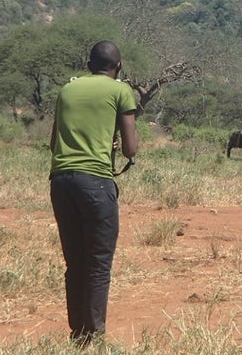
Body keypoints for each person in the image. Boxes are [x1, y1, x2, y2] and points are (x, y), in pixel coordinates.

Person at [49, 40, 139, 345]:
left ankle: (78, 335)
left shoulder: (66, 90)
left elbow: (54, 143)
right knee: (99, 263)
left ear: (89, 66)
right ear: (119, 66)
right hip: (96, 183)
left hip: (60, 181)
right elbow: (130, 148)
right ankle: (95, 336)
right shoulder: (120, 90)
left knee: (75, 263)